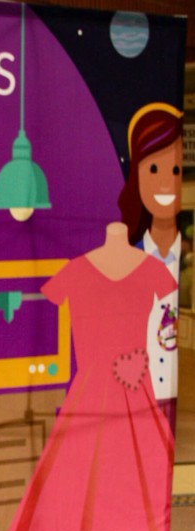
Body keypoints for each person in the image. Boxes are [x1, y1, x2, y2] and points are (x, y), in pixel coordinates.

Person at [0, 222, 175, 531]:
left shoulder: (152, 271)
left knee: (129, 486)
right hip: (93, 395)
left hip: (134, 392)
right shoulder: (76, 271)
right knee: (75, 491)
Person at [117, 102, 183, 430]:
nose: (167, 184)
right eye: (154, 170)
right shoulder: (129, 256)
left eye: (176, 170)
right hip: (134, 393)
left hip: (174, 396)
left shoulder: (181, 255)